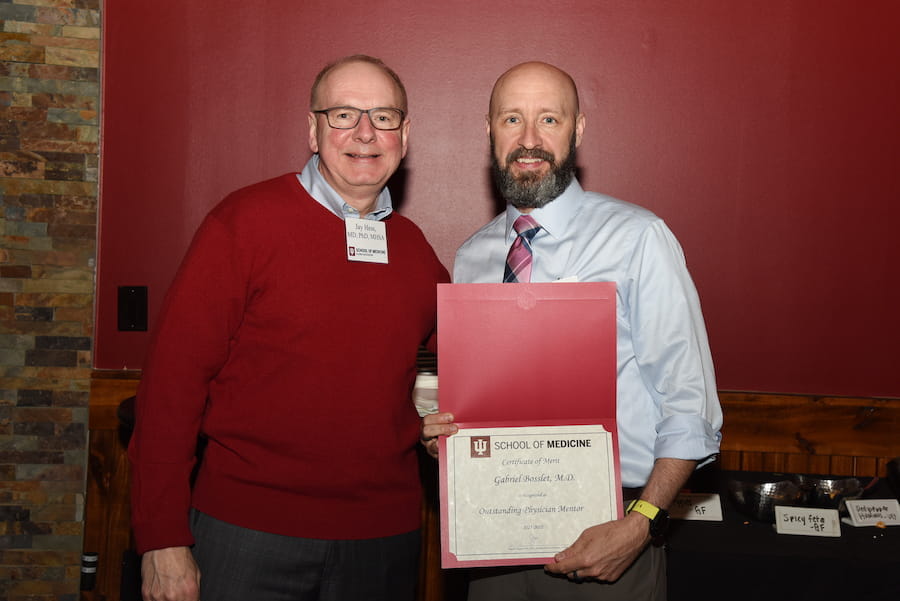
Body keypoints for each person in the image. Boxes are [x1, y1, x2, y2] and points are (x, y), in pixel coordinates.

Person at [129, 54, 450, 601]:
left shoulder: (416, 251)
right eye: (344, 114)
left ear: (406, 133)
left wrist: (449, 424)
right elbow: (171, 385)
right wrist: (161, 537)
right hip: (247, 533)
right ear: (312, 128)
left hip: (383, 541)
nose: (365, 133)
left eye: (384, 116)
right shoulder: (243, 223)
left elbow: (478, 361)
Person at [422, 61, 723, 600]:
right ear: (489, 131)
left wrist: (642, 522)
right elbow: (477, 404)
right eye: (512, 119)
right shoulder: (472, 257)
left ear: (578, 130)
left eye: (550, 120)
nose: (530, 139)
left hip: (610, 539)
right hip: (491, 540)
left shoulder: (639, 239)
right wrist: (443, 437)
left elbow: (690, 403)